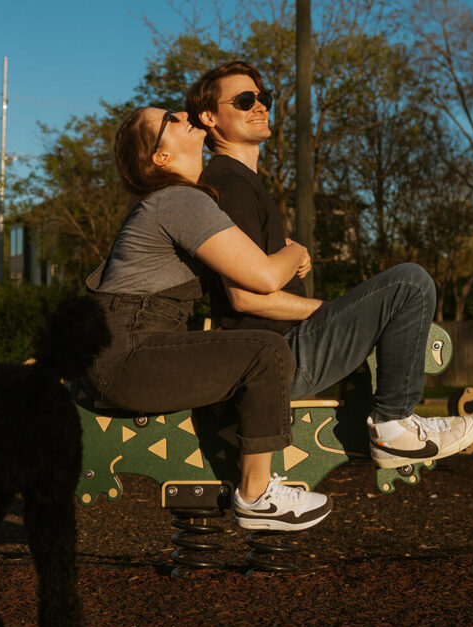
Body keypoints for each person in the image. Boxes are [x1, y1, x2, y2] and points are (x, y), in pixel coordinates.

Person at [185, 61, 473, 469]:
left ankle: (397, 423)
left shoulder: (242, 181)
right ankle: (395, 426)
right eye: (245, 100)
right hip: (277, 359)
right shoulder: (230, 182)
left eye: (263, 98)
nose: (260, 107)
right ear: (209, 117)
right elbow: (245, 298)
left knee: (405, 286)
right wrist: (332, 313)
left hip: (282, 352)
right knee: (410, 284)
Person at [83, 106, 331, 531]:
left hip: (128, 350)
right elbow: (266, 275)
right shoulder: (178, 201)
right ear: (159, 157)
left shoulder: (178, 203)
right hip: (128, 355)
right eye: (170, 120)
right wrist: (297, 252)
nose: (182, 113)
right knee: (264, 351)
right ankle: (256, 496)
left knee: (249, 351)